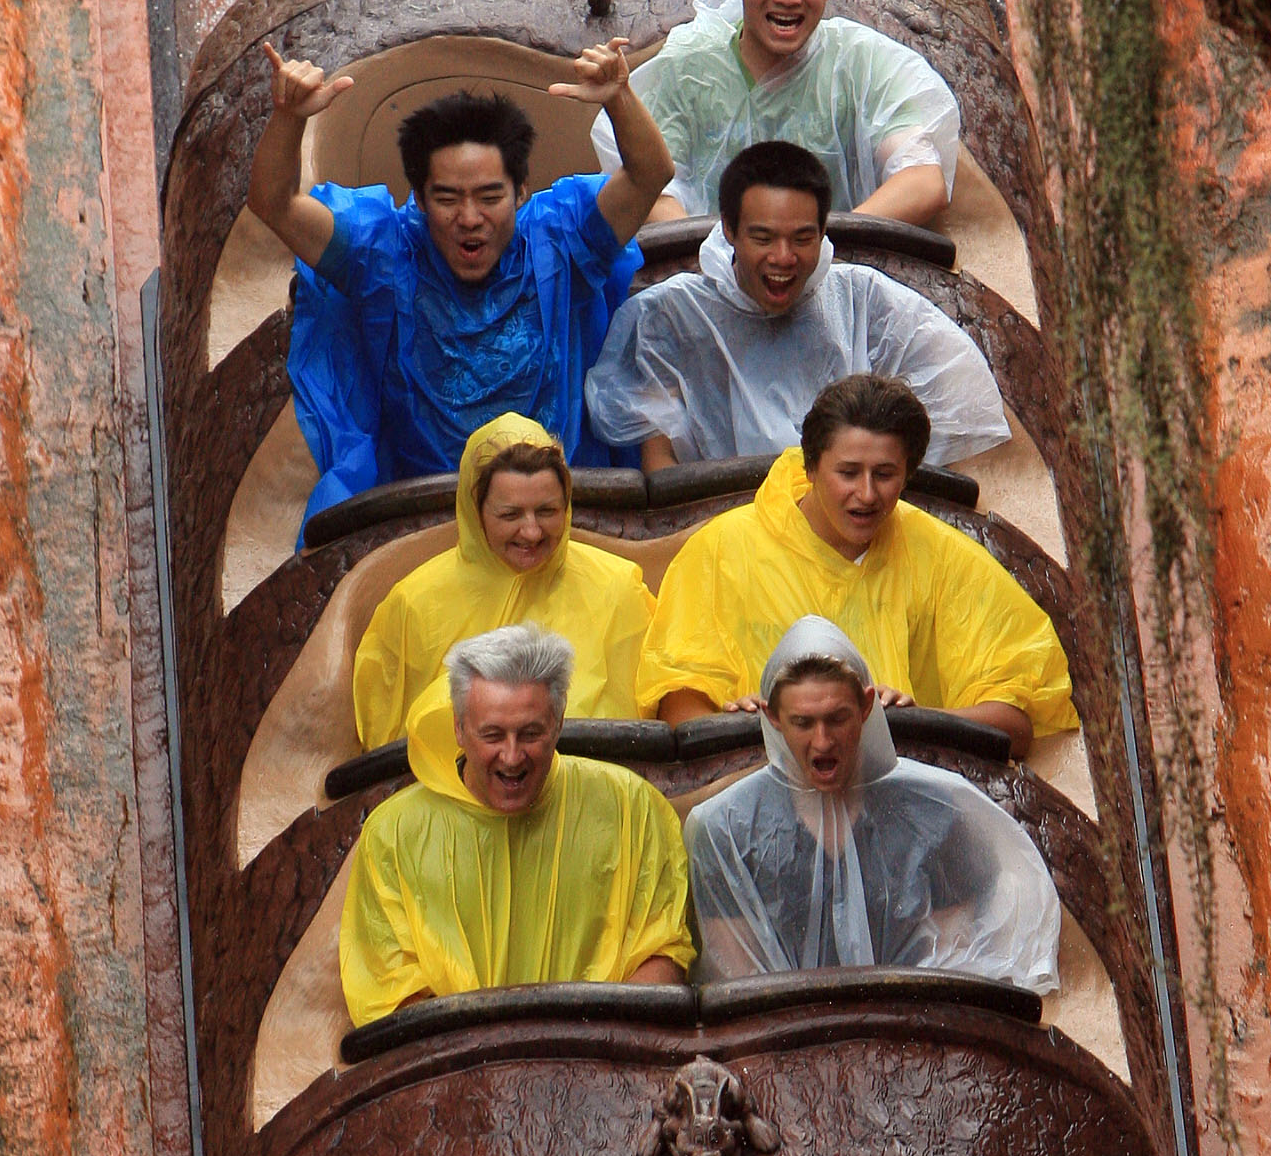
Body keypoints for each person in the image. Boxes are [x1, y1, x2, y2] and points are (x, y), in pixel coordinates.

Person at [249, 39, 675, 537]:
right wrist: (287, 116)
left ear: (520, 193)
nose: (469, 219)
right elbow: (274, 204)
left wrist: (618, 97)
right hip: (429, 521)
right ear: (420, 200)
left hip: (562, 514)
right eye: (448, 198)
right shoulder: (383, 252)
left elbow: (651, 174)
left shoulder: (560, 236)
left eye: (489, 197)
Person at [637, 374, 1075, 758]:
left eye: (884, 475)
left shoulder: (943, 556)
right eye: (848, 473)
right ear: (810, 467)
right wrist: (746, 727)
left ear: (908, 474)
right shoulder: (720, 550)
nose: (866, 495)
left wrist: (909, 722)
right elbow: (679, 711)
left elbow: (1015, 726)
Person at [338, 622, 693, 1028]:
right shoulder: (394, 834)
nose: (511, 757)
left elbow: (662, 953)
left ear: (558, 722)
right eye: (492, 735)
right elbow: (391, 993)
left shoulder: (633, 807)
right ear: (458, 728)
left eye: (530, 734)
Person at [584, 138, 1009, 475]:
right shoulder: (670, 316)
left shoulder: (863, 300)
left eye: (802, 239)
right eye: (764, 238)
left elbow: (956, 396)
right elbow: (660, 468)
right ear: (729, 230)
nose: (783, 258)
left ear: (823, 230)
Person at [686, 619, 1063, 989]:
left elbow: (954, 968)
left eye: (837, 719)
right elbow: (737, 979)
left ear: (867, 707)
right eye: (803, 723)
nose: (822, 741)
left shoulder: (935, 814)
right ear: (772, 717)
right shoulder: (726, 830)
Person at [591, 0, 960, 225]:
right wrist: (728, 265)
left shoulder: (861, 63)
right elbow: (652, 189)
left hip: (839, 272)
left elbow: (923, 180)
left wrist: (813, 252)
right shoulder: (689, 66)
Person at [350, 415, 654, 747]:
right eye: (510, 515)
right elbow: (385, 751)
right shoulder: (413, 604)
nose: (532, 531)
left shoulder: (619, 587)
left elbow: (641, 736)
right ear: (474, 512)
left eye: (547, 511)